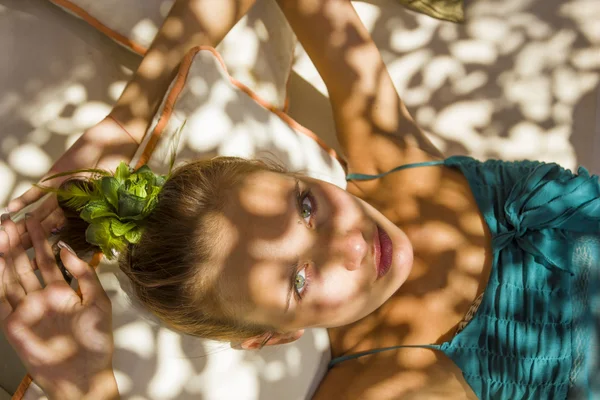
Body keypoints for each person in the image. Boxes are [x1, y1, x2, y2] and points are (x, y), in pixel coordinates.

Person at [1, 0, 598, 399]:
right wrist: (85, 384)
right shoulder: (396, 382)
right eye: (300, 281)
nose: (351, 244)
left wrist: (125, 122)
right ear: (273, 338)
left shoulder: (395, 170)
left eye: (307, 206)